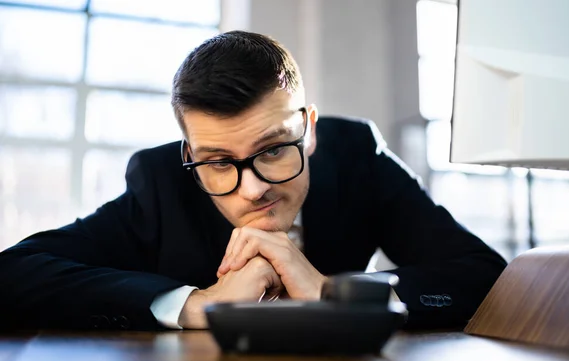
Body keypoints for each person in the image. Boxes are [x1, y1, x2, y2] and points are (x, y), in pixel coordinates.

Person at [0, 31, 506, 331]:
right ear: (189, 154)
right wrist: (196, 305)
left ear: (308, 130)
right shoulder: (160, 181)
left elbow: (484, 276)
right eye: (218, 161)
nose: (252, 189)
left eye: (272, 150)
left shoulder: (358, 155)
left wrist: (334, 294)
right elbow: (14, 275)